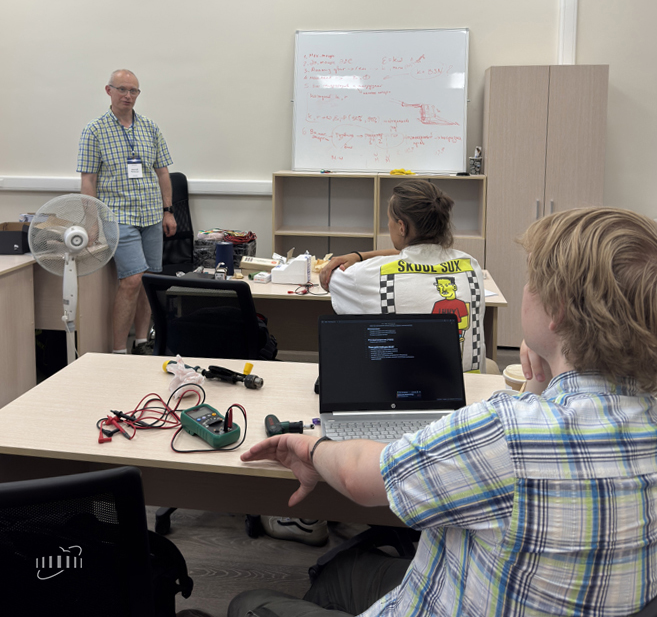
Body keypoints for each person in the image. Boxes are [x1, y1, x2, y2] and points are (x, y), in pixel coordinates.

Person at [229, 207, 657, 617]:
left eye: (532, 281)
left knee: (249, 603)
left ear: (557, 310)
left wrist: (311, 448)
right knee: (342, 573)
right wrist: (543, 375)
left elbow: (358, 475)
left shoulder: (503, 433)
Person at [320, 179, 486, 372]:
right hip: (470, 385)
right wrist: (360, 255)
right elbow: (418, 254)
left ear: (401, 227)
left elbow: (328, 277)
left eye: (389, 219)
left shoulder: (370, 274)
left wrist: (359, 256)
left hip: (401, 386)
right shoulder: (470, 265)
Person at [77, 69, 176, 354]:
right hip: (118, 216)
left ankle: (141, 342)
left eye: (133, 91)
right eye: (122, 89)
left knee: (148, 281)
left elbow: (163, 172)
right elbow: (88, 180)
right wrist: (91, 221)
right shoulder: (94, 130)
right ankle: (119, 350)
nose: (128, 96)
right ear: (108, 91)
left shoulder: (150, 128)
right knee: (132, 279)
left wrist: (168, 211)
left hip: (151, 214)